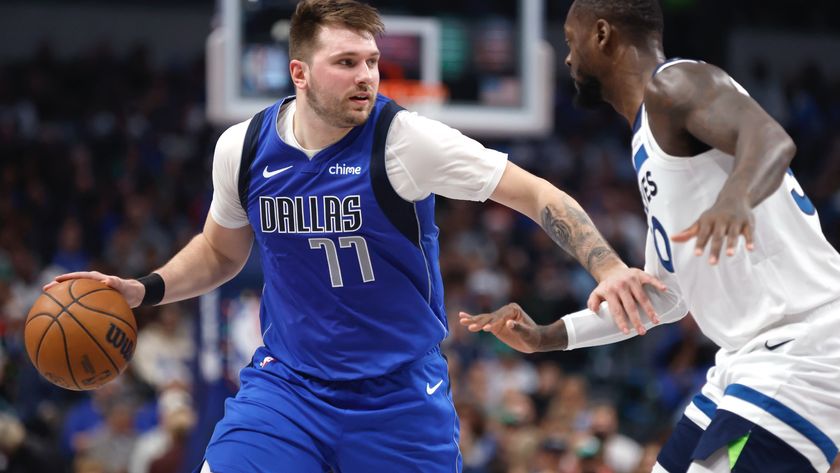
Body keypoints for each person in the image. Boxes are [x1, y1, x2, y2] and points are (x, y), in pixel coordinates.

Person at [46, 1, 664, 471]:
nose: (367, 75)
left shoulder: (406, 140)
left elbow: (537, 194)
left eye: (372, 61)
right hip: (287, 390)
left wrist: (608, 268)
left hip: (398, 398)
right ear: (300, 73)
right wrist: (144, 289)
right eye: (347, 62)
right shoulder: (244, 147)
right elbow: (220, 250)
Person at [461, 1, 840, 472]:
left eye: (569, 40)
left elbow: (769, 139)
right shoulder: (647, 139)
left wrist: (735, 200)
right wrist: (546, 338)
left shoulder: (675, 83)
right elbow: (662, 298)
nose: (567, 58)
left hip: (803, 346)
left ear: (602, 34)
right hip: (744, 360)